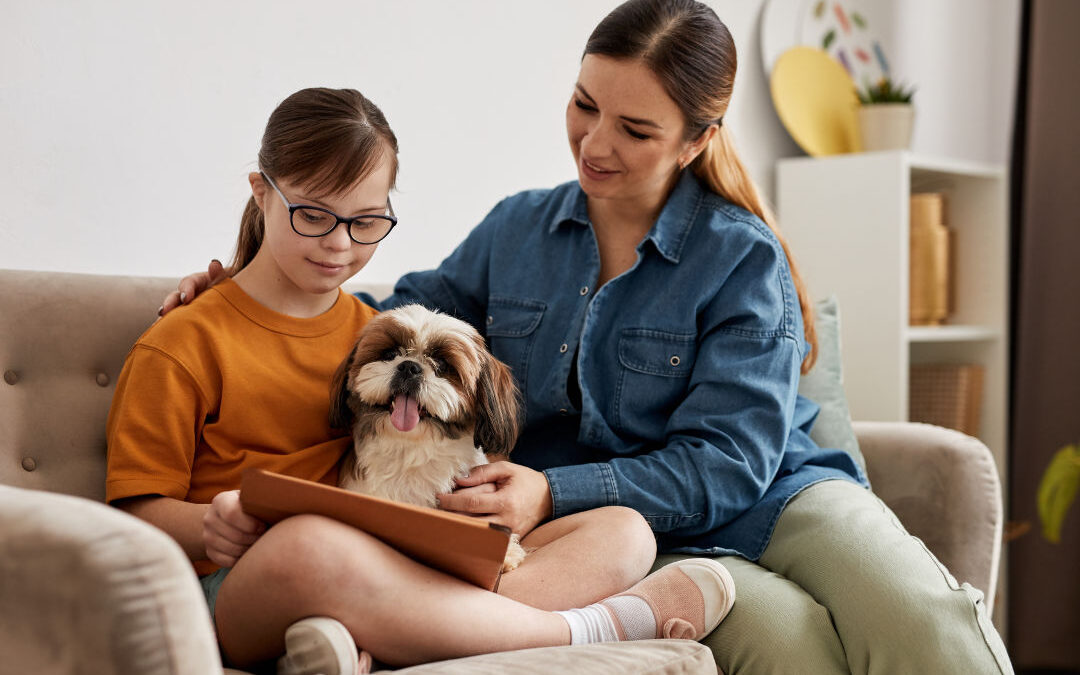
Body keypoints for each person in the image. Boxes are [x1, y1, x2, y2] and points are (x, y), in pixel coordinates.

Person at [164, 1, 1014, 673]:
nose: (595, 144)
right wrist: (240, 284)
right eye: (584, 104)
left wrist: (549, 492)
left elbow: (727, 461)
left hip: (778, 497)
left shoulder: (737, 257)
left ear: (697, 140)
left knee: (919, 618)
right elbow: (385, 322)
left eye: (636, 130)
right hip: (636, 537)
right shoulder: (516, 230)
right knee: (791, 651)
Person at [109, 86, 735, 675]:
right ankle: (589, 631)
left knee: (622, 529)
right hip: (238, 578)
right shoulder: (183, 341)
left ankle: (387, 637)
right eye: (313, 216)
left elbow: (437, 347)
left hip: (387, 560)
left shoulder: (369, 327)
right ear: (261, 192)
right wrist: (212, 524)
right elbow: (133, 514)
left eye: (366, 222)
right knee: (312, 547)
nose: (338, 244)